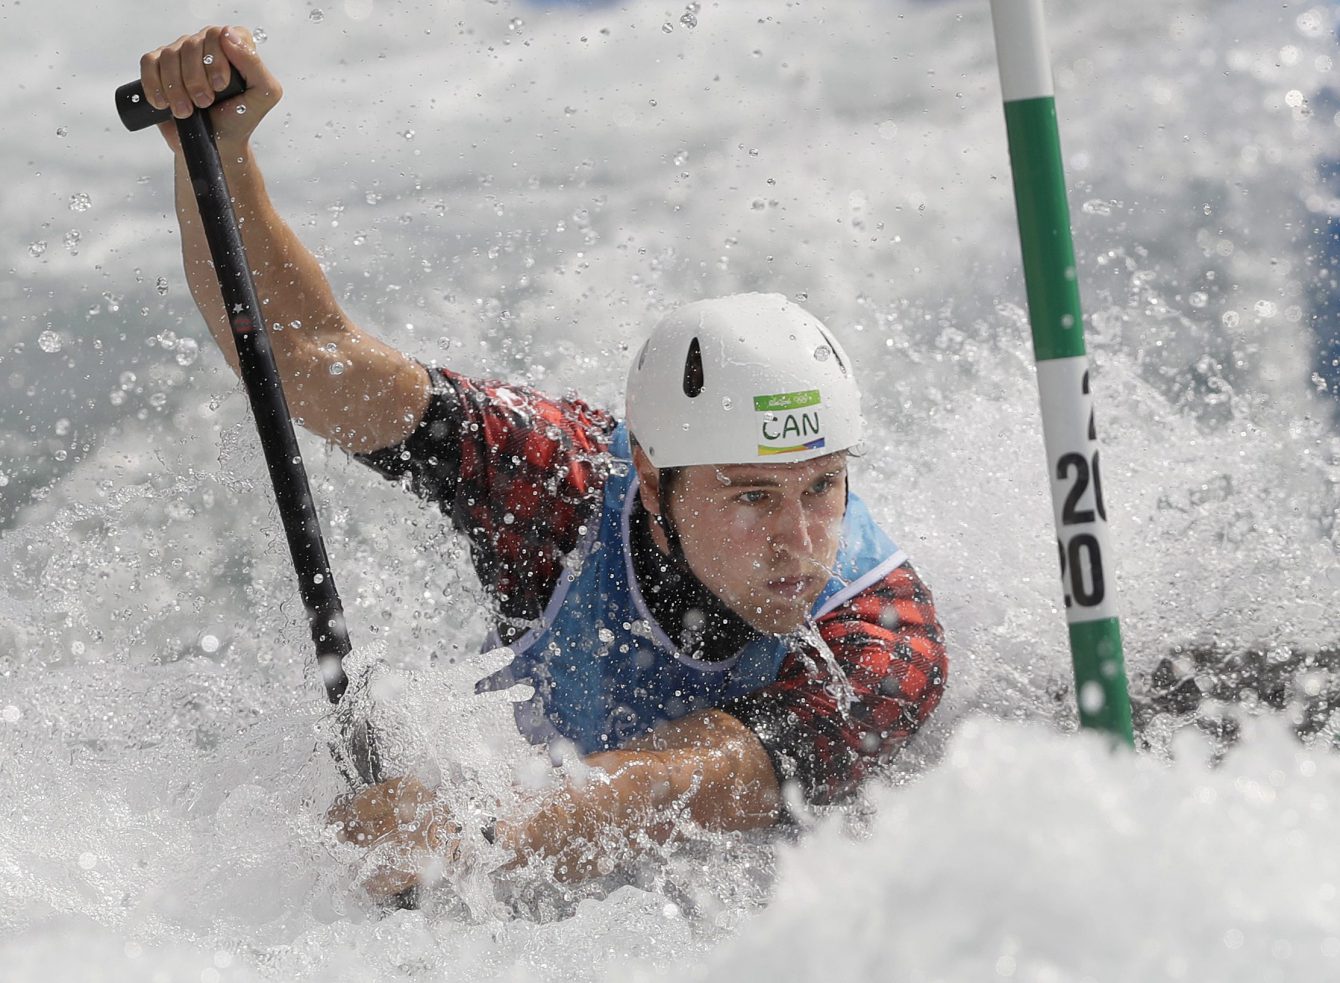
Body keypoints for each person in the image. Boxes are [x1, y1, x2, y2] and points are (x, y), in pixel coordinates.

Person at [139, 26, 947, 896]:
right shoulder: (556, 486)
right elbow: (308, 359)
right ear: (650, 475)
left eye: (821, 486)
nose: (798, 539)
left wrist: (474, 836)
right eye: (752, 496)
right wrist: (216, 159)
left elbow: (694, 781)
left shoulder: (884, 630)